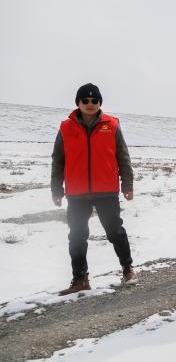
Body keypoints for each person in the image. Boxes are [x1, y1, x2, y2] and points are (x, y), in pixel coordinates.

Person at [51, 83, 137, 295]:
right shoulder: (66, 127)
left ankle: (127, 269)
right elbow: (58, 160)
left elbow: (123, 156)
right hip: (76, 193)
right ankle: (80, 279)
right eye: (85, 100)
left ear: (100, 103)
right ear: (78, 103)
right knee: (77, 236)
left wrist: (127, 184)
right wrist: (56, 189)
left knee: (115, 231)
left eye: (95, 100)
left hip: (106, 190)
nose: (90, 104)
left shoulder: (112, 125)